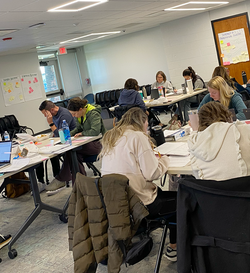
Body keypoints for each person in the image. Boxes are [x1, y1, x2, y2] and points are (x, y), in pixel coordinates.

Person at [100, 107, 177, 262]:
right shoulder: (138, 137)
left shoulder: (111, 137)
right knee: (182, 199)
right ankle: (174, 247)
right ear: (143, 122)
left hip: (117, 205)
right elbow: (152, 174)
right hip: (141, 204)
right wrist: (164, 160)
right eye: (147, 124)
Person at [45, 98, 106, 195]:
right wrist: (69, 135)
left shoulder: (93, 114)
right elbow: (78, 128)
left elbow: (95, 131)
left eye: (74, 114)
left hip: (98, 144)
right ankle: (80, 189)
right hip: (86, 144)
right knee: (75, 157)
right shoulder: (80, 115)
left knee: (71, 151)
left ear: (81, 109)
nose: (73, 116)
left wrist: (82, 133)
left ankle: (62, 179)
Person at [188, 101, 250, 180]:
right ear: (228, 117)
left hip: (211, 191)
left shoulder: (194, 142)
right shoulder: (243, 130)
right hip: (243, 189)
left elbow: (197, 176)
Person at [37, 100, 76, 192]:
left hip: (71, 142)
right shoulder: (54, 114)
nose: (45, 116)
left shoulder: (64, 115)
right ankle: (40, 181)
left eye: (45, 114)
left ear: (51, 110)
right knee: (40, 152)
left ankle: (58, 178)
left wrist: (50, 123)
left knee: (53, 153)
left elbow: (61, 135)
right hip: (60, 141)